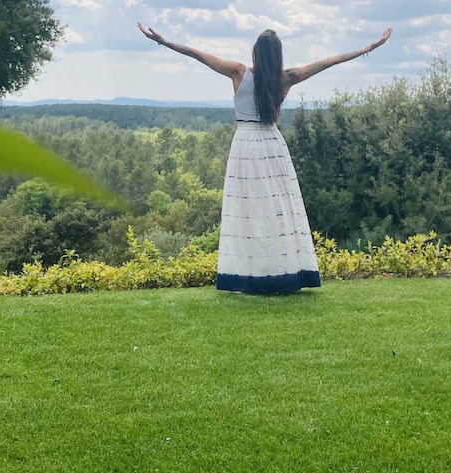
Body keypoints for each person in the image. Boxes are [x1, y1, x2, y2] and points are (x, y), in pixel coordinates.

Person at [137, 23, 393, 294]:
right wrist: (370, 47)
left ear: (256, 53)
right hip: (272, 144)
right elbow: (330, 61)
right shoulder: (288, 77)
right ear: (278, 55)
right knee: (277, 209)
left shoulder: (239, 72)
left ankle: (249, 276)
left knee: (247, 212)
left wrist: (162, 41)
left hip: (245, 145)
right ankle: (283, 274)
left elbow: (199, 55)